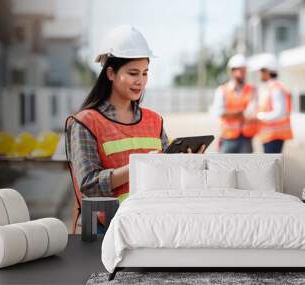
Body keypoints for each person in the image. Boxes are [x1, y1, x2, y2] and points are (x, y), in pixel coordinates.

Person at [65, 25, 203, 234]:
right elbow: (89, 184)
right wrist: (141, 164)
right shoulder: (85, 123)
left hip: (153, 223)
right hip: (108, 229)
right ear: (111, 73)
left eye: (145, 73)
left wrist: (185, 163)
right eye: (133, 73)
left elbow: (166, 175)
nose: (140, 81)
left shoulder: (154, 120)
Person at [211, 54, 258, 153]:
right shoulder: (222, 90)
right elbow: (219, 112)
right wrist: (241, 113)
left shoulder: (252, 90)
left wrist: (232, 114)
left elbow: (251, 111)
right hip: (228, 138)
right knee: (224, 167)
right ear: (231, 71)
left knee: (246, 167)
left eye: (243, 70)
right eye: (237, 69)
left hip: (246, 138)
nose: (241, 73)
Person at [255, 54, 293, 153]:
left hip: (274, 137)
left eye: (260, 71)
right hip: (269, 136)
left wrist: (259, 117)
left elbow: (280, 112)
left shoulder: (275, 89)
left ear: (266, 71)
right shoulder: (269, 88)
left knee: (272, 167)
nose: (259, 74)